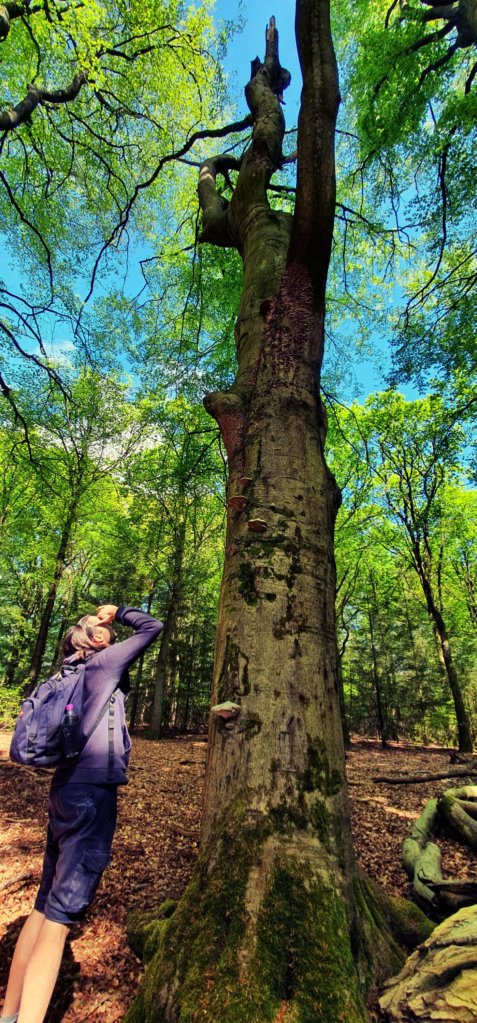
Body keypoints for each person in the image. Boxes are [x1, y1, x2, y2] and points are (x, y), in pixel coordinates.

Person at [1, 603, 163, 1023]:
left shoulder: (67, 673)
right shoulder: (102, 665)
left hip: (64, 790)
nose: (107, 629)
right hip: (92, 795)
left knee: (42, 906)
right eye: (101, 628)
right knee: (58, 921)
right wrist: (120, 612)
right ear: (94, 638)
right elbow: (152, 627)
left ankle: (10, 1013)